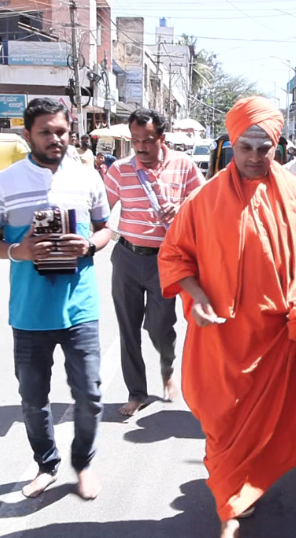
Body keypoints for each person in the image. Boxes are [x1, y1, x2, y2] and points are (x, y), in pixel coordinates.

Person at [158, 96, 296, 538]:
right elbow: (175, 256)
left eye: (264, 147)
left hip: (279, 347)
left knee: (264, 439)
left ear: (277, 146)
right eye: (245, 146)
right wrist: (195, 295)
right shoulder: (202, 201)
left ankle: (235, 512)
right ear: (231, 143)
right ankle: (229, 521)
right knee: (223, 435)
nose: (254, 156)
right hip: (221, 347)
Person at [0, 98, 112, 500]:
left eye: (62, 131)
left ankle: (84, 464)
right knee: (34, 400)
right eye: (46, 132)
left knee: (90, 394)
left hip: (80, 310)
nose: (56, 139)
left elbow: (106, 230)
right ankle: (46, 465)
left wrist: (88, 244)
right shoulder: (6, 182)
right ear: (27, 135)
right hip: (30, 314)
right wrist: (20, 251)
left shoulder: (88, 177)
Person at [104, 109, 205, 416]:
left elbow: (202, 199)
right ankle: (137, 392)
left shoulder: (183, 164)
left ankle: (167, 367)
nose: (141, 147)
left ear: (162, 138)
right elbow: (99, 211)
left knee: (161, 328)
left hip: (166, 260)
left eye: (147, 140)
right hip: (127, 258)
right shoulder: (120, 170)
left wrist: (182, 207)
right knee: (129, 328)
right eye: (135, 140)